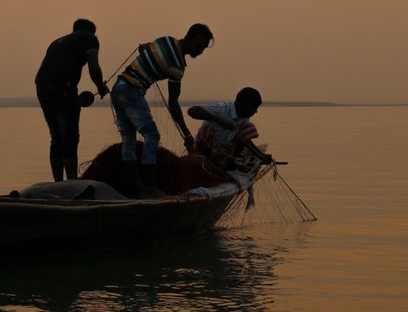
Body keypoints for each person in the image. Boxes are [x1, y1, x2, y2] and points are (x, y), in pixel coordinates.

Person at [109, 23, 214, 197]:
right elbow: (173, 103)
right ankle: (150, 187)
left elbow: (143, 48)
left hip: (118, 88)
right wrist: (187, 134)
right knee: (152, 136)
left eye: (203, 48)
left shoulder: (166, 40)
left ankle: (138, 188)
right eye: (199, 46)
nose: (200, 51)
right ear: (189, 38)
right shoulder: (178, 66)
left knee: (128, 139)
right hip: (132, 91)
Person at [34, 18, 110, 181]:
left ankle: (58, 183)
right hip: (63, 88)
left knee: (56, 138)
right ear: (91, 31)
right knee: (70, 137)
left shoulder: (56, 43)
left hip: (42, 88)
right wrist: (100, 86)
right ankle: (72, 182)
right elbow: (94, 68)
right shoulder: (90, 38)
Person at [188, 87, 273, 170]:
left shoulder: (243, 118)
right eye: (254, 108)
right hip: (204, 153)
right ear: (245, 106)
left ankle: (228, 166)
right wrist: (221, 121)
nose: (255, 111)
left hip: (223, 155)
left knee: (247, 128)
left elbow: (245, 141)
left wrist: (261, 156)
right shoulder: (222, 109)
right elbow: (192, 111)